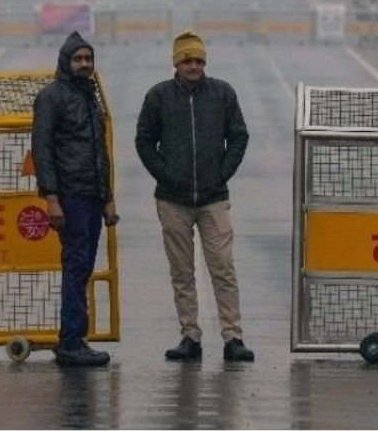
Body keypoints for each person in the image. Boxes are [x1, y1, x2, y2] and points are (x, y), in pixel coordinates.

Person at [135, 29, 254, 362]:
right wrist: (167, 175)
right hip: (172, 200)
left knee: (223, 268)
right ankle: (190, 335)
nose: (194, 66)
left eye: (199, 60)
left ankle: (233, 337)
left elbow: (239, 136)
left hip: (214, 198)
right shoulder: (158, 97)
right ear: (177, 63)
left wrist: (221, 173)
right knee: (182, 272)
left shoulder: (223, 94)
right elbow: (144, 141)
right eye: (188, 60)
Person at [31, 31, 119, 366]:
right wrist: (51, 197)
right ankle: (71, 340)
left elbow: (101, 153)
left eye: (88, 59)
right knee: (76, 266)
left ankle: (74, 338)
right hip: (70, 196)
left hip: (92, 195)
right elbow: (42, 149)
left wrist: (107, 199)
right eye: (78, 59)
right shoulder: (52, 97)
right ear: (65, 62)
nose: (84, 64)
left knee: (81, 267)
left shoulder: (90, 96)